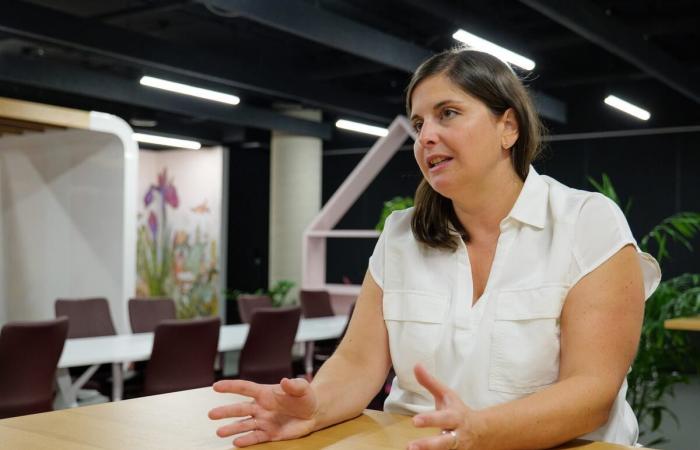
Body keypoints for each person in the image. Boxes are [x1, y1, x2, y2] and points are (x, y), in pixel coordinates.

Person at [208, 48, 661, 450]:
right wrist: (316, 407)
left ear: (508, 127)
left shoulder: (586, 222)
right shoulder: (400, 234)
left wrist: (480, 432)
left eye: (448, 113)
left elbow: (592, 392)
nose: (425, 136)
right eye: (419, 122)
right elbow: (358, 361)